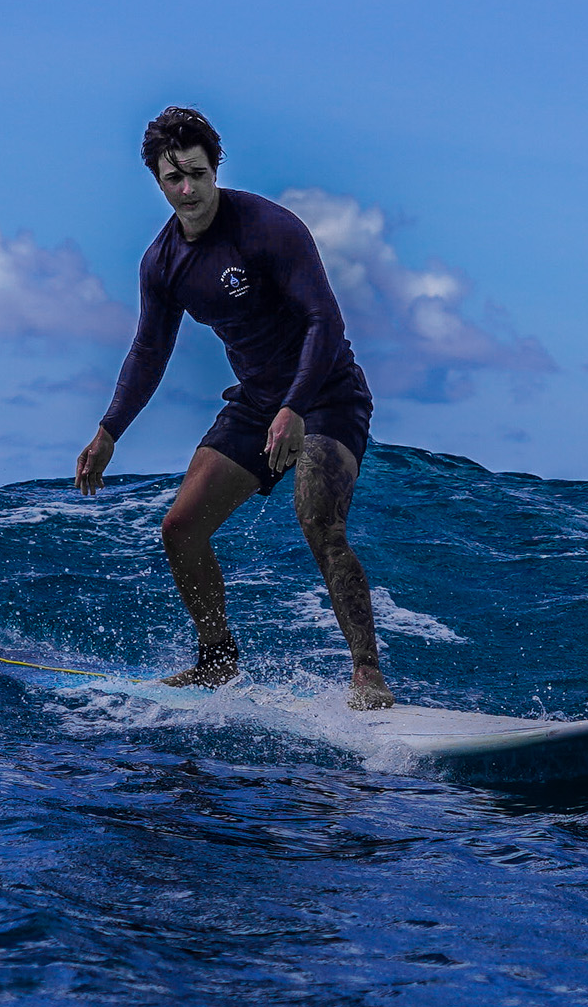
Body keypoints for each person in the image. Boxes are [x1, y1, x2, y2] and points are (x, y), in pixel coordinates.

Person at [74, 107, 395, 710]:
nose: (187, 190)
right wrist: (109, 430)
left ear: (215, 169)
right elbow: (148, 351)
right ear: (157, 181)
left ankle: (367, 673)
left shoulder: (268, 229)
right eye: (173, 178)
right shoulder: (162, 264)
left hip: (327, 394)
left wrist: (295, 406)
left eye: (197, 174)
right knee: (180, 528)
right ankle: (217, 660)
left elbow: (325, 322)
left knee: (318, 520)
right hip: (256, 402)